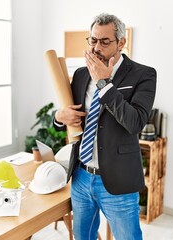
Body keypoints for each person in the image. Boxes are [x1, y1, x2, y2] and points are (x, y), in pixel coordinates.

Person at [53, 13, 156, 240]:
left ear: (121, 42)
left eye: (104, 41)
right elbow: (69, 118)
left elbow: (135, 122)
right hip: (81, 178)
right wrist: (60, 117)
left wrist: (103, 83)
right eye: (93, 40)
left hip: (118, 181)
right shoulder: (80, 74)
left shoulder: (144, 74)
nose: (96, 48)